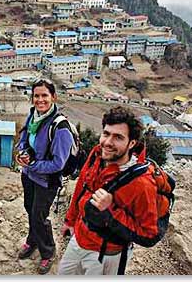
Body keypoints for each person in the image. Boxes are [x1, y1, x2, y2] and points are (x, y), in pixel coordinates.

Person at [58, 106, 159, 275]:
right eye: (106, 133)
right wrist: (70, 220)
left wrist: (110, 211)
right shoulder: (98, 154)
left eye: (118, 137)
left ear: (132, 143)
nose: (107, 142)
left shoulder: (142, 183)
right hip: (79, 239)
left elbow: (149, 235)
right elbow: (82, 186)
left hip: (106, 255)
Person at [15, 79, 73, 274]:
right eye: (37, 96)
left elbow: (58, 163)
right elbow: (24, 138)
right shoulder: (33, 116)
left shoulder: (60, 126)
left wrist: (32, 164)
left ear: (53, 97)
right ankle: (32, 241)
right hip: (29, 175)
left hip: (46, 181)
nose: (40, 100)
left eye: (44, 96)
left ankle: (47, 252)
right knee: (29, 209)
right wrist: (22, 152)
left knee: (39, 215)